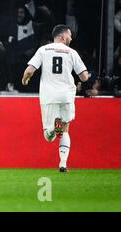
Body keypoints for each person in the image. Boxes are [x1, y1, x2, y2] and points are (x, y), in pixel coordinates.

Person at [22, 25, 89, 172]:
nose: (71, 38)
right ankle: (63, 163)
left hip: (49, 95)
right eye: (70, 36)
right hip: (66, 95)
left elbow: (30, 70)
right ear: (63, 36)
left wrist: (24, 80)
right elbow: (84, 77)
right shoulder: (72, 52)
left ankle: (53, 127)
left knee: (49, 136)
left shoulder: (43, 50)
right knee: (65, 130)